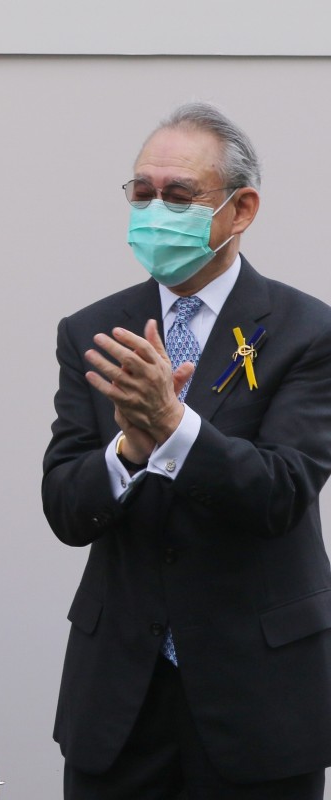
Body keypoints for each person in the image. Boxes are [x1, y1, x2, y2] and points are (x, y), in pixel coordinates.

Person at [43, 101, 331, 799]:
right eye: (142, 193)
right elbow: (65, 507)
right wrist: (130, 449)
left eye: (178, 195)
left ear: (241, 210)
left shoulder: (305, 332)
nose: (155, 211)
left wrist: (174, 428)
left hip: (257, 702)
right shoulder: (93, 330)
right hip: (119, 702)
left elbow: (282, 491)